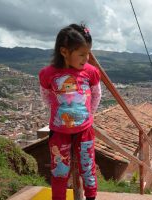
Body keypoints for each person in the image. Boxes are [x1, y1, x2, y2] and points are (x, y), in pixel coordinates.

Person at [39, 23, 101, 200]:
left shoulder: (90, 72)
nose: (86, 58)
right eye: (82, 54)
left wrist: (89, 115)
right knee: (59, 171)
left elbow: (97, 95)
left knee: (88, 167)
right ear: (64, 52)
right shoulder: (48, 73)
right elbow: (46, 97)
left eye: (88, 53)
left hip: (85, 131)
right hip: (59, 132)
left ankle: (91, 196)